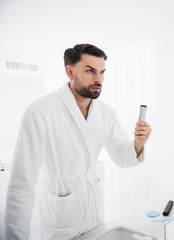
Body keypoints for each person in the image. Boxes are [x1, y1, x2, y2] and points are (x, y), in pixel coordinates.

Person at [5, 44, 152, 240]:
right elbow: (21, 183)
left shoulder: (105, 113)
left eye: (102, 72)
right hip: (60, 216)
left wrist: (139, 143)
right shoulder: (40, 112)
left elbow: (122, 157)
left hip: (94, 212)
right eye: (90, 71)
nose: (98, 79)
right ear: (70, 71)